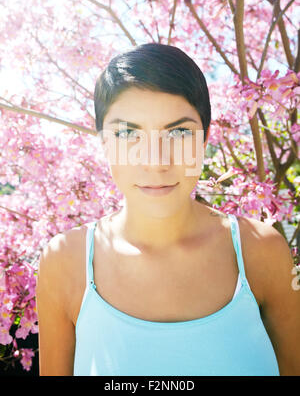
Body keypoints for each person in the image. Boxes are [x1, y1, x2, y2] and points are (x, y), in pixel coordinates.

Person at [36, 43, 300, 376]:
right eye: (127, 133)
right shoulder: (64, 262)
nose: (156, 161)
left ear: (205, 140)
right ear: (103, 142)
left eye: (177, 132)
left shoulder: (261, 250)